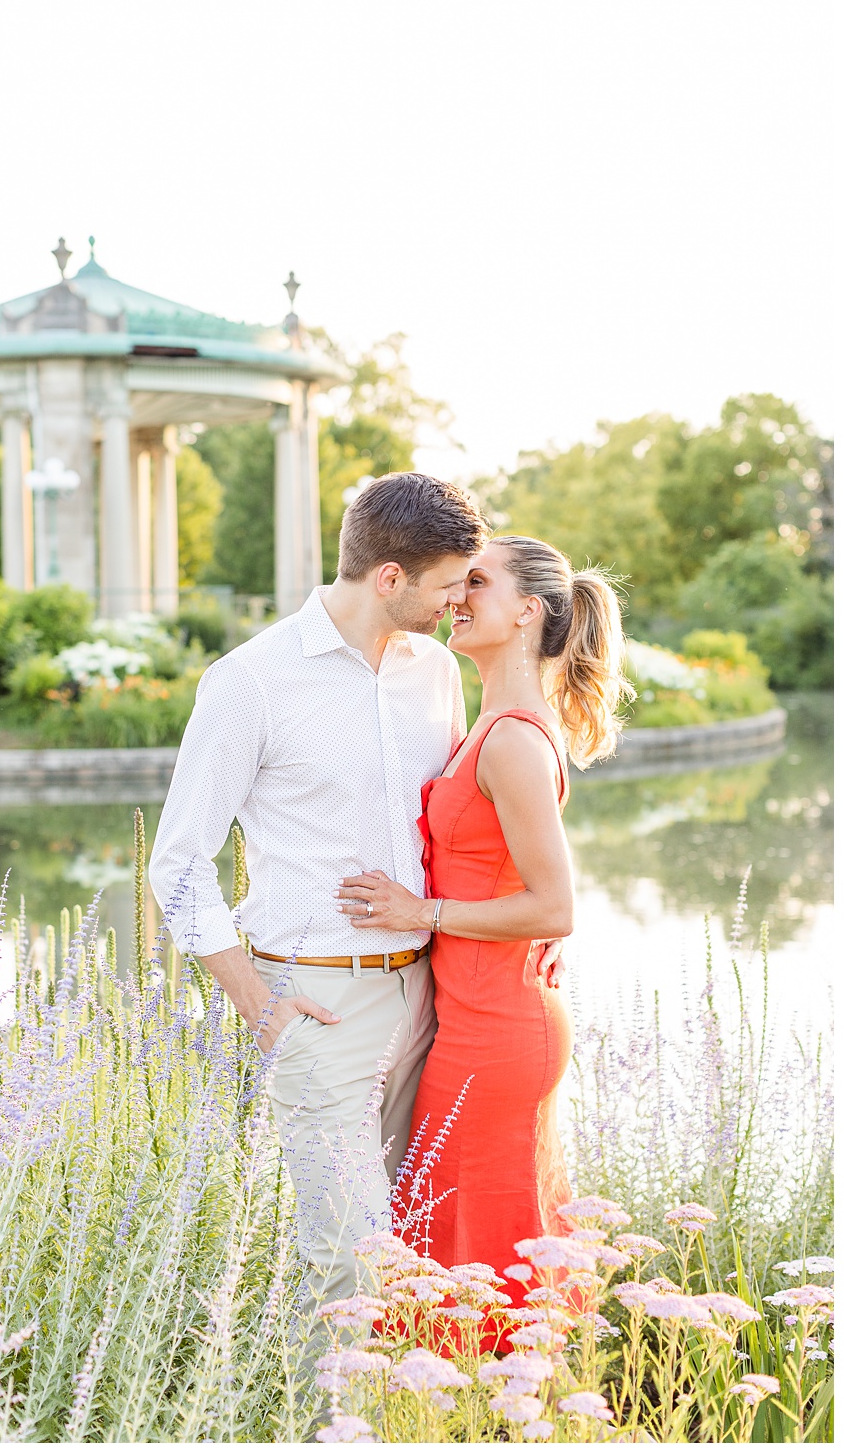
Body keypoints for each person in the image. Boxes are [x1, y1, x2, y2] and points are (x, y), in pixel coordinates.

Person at [151, 473, 549, 1310]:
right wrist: (257, 1002)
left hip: (433, 999)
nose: (456, 602)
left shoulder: (437, 673)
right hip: (319, 1000)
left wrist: (530, 920)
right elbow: (179, 863)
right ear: (391, 578)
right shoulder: (250, 681)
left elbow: (465, 825)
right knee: (348, 1262)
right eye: (448, 585)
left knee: (415, 1245)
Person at [337, 535, 631, 1303]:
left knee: (475, 1240)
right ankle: (482, 1401)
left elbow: (554, 904)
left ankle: (493, 1404)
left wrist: (419, 912)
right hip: (478, 1014)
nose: (457, 595)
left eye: (477, 581)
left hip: (496, 1030)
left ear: (526, 612)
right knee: (462, 1231)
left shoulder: (510, 741)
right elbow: (521, 880)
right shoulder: (493, 725)